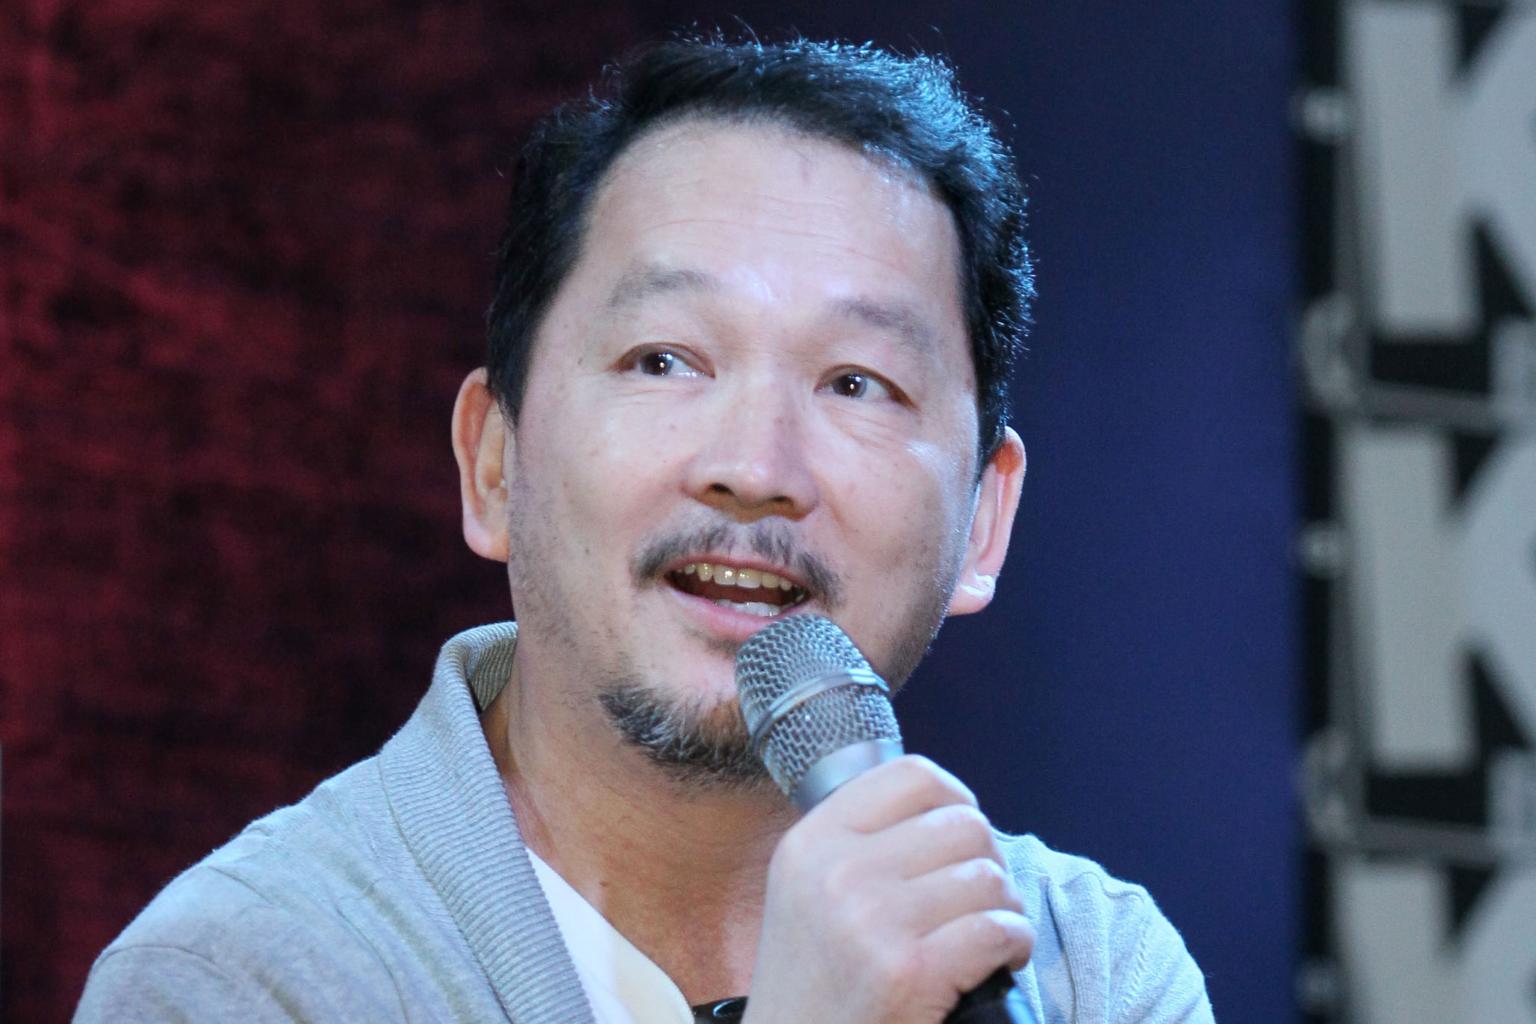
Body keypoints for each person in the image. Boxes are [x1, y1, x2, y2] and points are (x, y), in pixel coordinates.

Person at [76, 36, 1213, 1023]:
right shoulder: (244, 975)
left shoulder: (1088, 970)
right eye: (664, 360)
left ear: (984, 520)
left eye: (857, 383)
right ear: (493, 465)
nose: (754, 469)